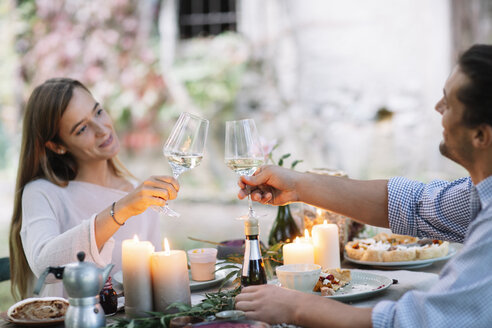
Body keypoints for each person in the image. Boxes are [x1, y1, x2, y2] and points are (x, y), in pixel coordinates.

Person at [235, 44, 492, 327]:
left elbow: (420, 322)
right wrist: (297, 186)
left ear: (480, 135)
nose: (437, 108)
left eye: (449, 102)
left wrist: (297, 306)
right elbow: (414, 205)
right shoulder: (480, 194)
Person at [9, 78, 179, 300]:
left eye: (98, 112)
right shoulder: (42, 193)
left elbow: (158, 279)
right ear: (57, 146)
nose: (102, 130)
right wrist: (122, 210)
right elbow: (45, 265)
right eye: (82, 129)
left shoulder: (139, 193)